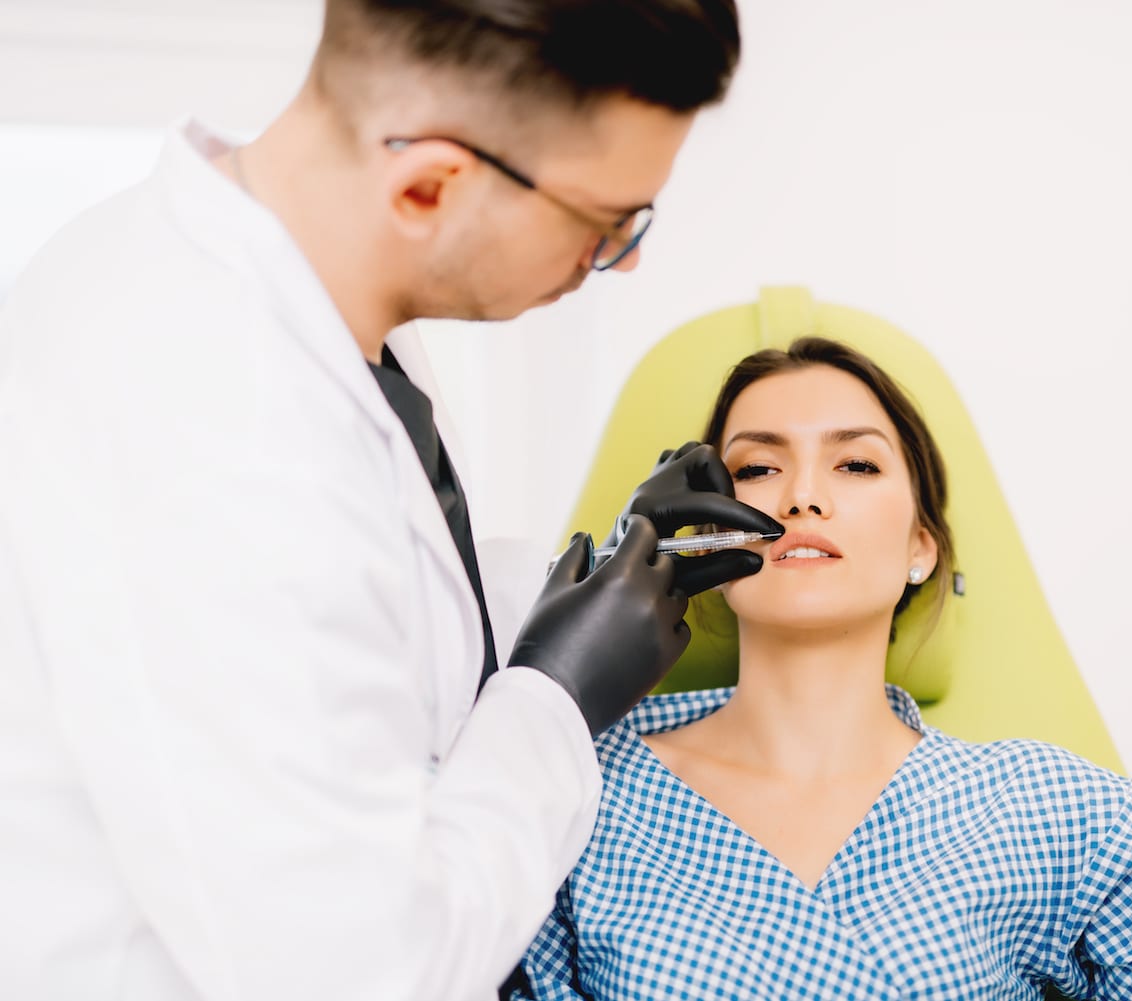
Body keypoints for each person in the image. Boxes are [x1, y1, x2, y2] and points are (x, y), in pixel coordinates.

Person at [0, 2, 782, 1000]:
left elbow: (374, 622)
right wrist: (556, 696)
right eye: (603, 225)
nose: (622, 263)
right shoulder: (204, 423)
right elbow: (360, 972)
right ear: (428, 184)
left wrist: (571, 581)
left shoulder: (308, 303)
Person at [513, 337, 1132, 1000]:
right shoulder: (572, 772)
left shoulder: (1042, 806)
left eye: (856, 468)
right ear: (704, 533)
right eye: (757, 468)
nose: (803, 495)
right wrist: (544, 691)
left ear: (922, 545)